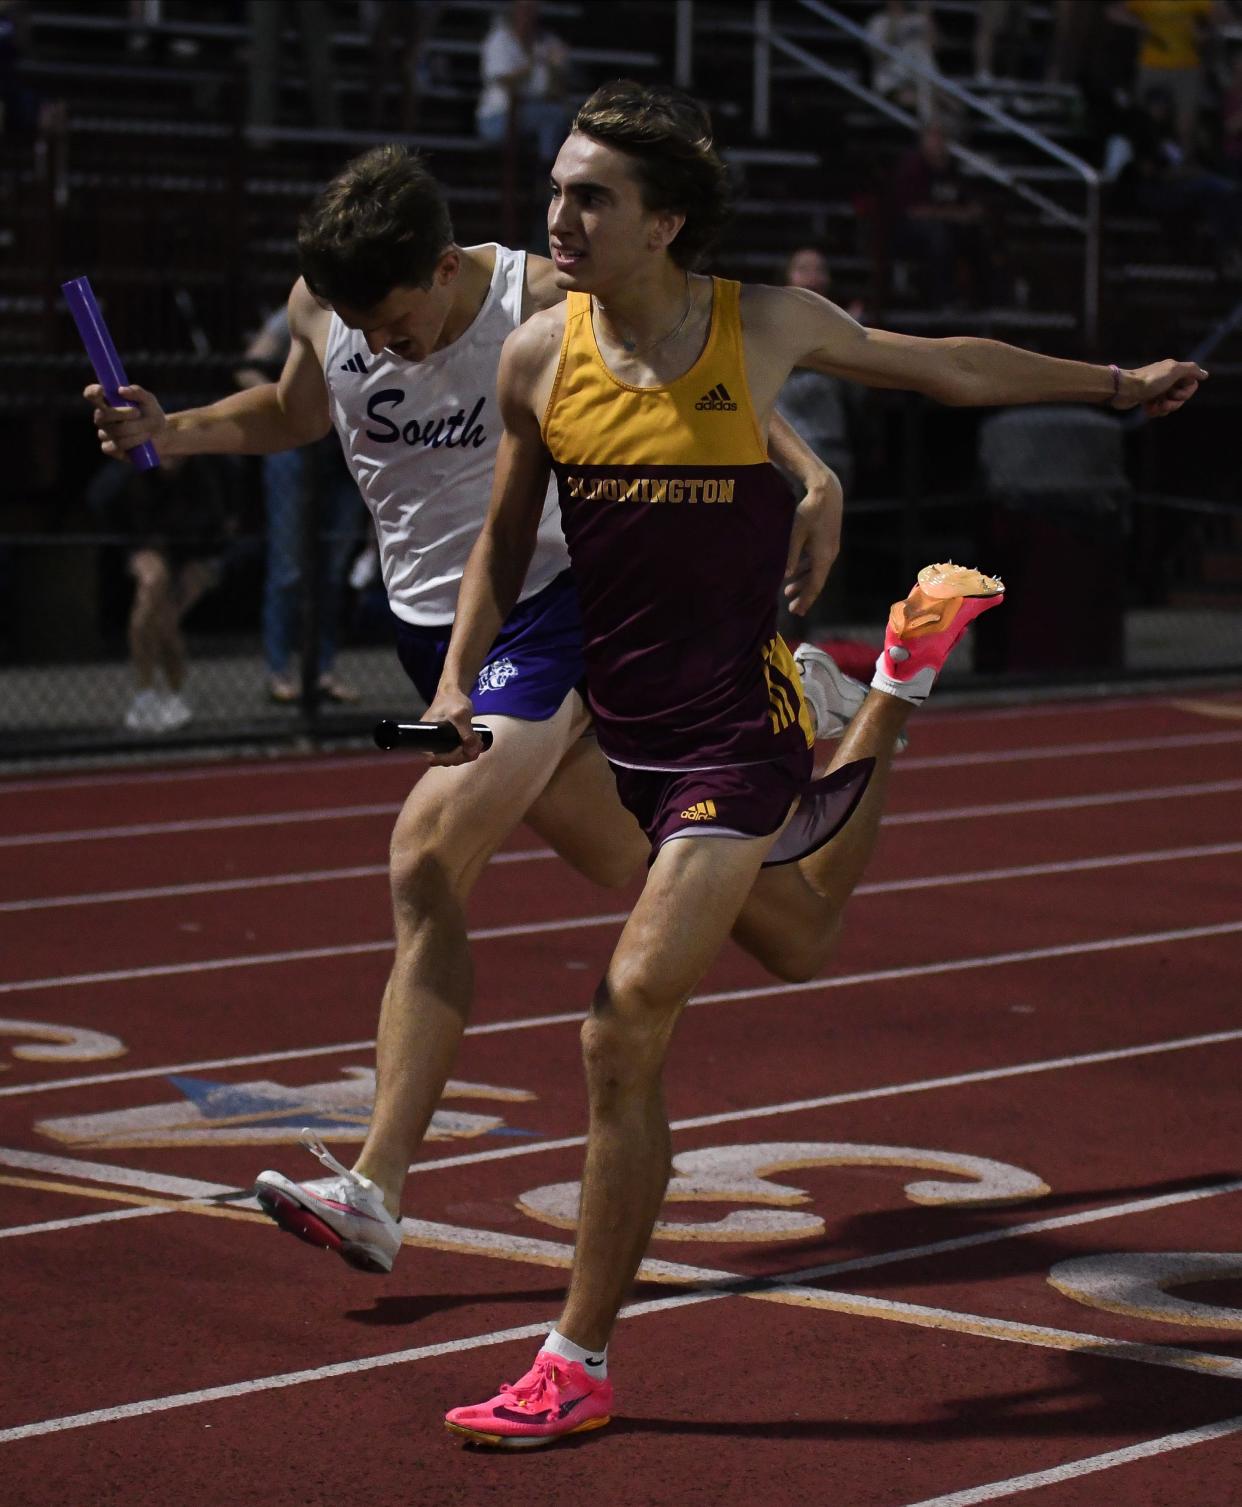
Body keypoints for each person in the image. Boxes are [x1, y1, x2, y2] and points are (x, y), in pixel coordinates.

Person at [427, 79, 1205, 1448]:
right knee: (793, 941)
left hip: (736, 725)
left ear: (663, 221)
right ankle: (900, 676)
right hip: (626, 730)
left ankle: (574, 1357)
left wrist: (1112, 384)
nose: (559, 213)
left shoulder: (758, 326)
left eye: (591, 194)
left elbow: (943, 361)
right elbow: (500, 543)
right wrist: (453, 674)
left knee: (620, 1021)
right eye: (554, 188)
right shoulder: (536, 358)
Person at [83, 143, 850, 1275]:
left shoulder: (535, 294)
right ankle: (812, 712)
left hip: (547, 608)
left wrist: (802, 462)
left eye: (399, 323)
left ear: (447, 266)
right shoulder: (326, 306)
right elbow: (298, 414)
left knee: (425, 857)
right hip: (426, 633)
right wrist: (177, 426)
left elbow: (684, 349)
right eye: (363, 331)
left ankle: (374, 1187)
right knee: (628, 855)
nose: (383, 347)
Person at [234, 307, 362, 705]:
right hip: (294, 448)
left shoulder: (366, 308)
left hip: (347, 449)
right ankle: (279, 671)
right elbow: (247, 368)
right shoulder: (295, 311)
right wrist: (287, 407)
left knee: (332, 570)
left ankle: (321, 671)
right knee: (289, 568)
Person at [85, 452, 236, 732]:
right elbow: (100, 499)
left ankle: (173, 694)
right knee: (152, 588)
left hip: (198, 554)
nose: (171, 457)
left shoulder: (205, 472)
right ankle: (145, 694)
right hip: (149, 546)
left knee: (166, 617)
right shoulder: (132, 473)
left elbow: (218, 529)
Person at [476, 0, 572, 166]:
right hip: (497, 117)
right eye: (523, 9)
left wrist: (554, 69)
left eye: (532, 10)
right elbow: (504, 80)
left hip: (531, 112)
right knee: (553, 116)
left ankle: (547, 170)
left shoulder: (547, 41)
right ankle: (546, 171)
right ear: (513, 11)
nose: (527, 15)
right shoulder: (499, 40)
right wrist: (533, 65)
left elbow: (557, 87)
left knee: (559, 115)